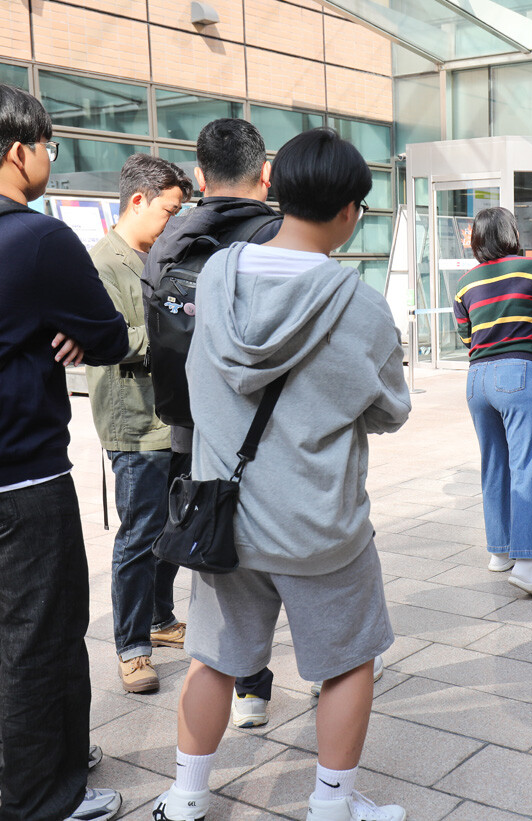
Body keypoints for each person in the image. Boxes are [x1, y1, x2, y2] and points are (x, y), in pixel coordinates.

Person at [151, 128, 411, 821]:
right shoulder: (358, 302)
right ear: (351, 210)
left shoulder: (218, 274)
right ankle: (332, 806)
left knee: (213, 657)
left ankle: (185, 797)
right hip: (319, 522)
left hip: (224, 518)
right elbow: (390, 410)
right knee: (349, 659)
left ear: (277, 187)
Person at [0, 81, 128, 820]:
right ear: (19, 152)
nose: (48, 157)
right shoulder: (36, 234)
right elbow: (108, 334)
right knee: (42, 630)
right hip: (21, 469)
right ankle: (43, 797)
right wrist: (70, 332)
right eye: (47, 145)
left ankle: (25, 758)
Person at [141, 118, 283, 728]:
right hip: (269, 424)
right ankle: (288, 679)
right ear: (266, 172)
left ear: (199, 176)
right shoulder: (278, 235)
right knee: (288, 547)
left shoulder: (170, 240)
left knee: (222, 551)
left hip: (194, 429)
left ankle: (242, 683)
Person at [86, 154, 193, 694]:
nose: (175, 221)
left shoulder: (161, 256)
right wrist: (178, 332)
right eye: (170, 211)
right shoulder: (102, 262)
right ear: (138, 200)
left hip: (174, 416)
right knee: (139, 536)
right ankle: (132, 647)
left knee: (175, 526)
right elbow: (104, 338)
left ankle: (159, 616)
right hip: (135, 424)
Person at [452, 206, 532, 598]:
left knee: (494, 466)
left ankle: (499, 552)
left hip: (477, 379)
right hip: (518, 373)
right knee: (527, 466)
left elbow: (466, 338)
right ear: (511, 233)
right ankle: (526, 565)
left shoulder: (465, 284)